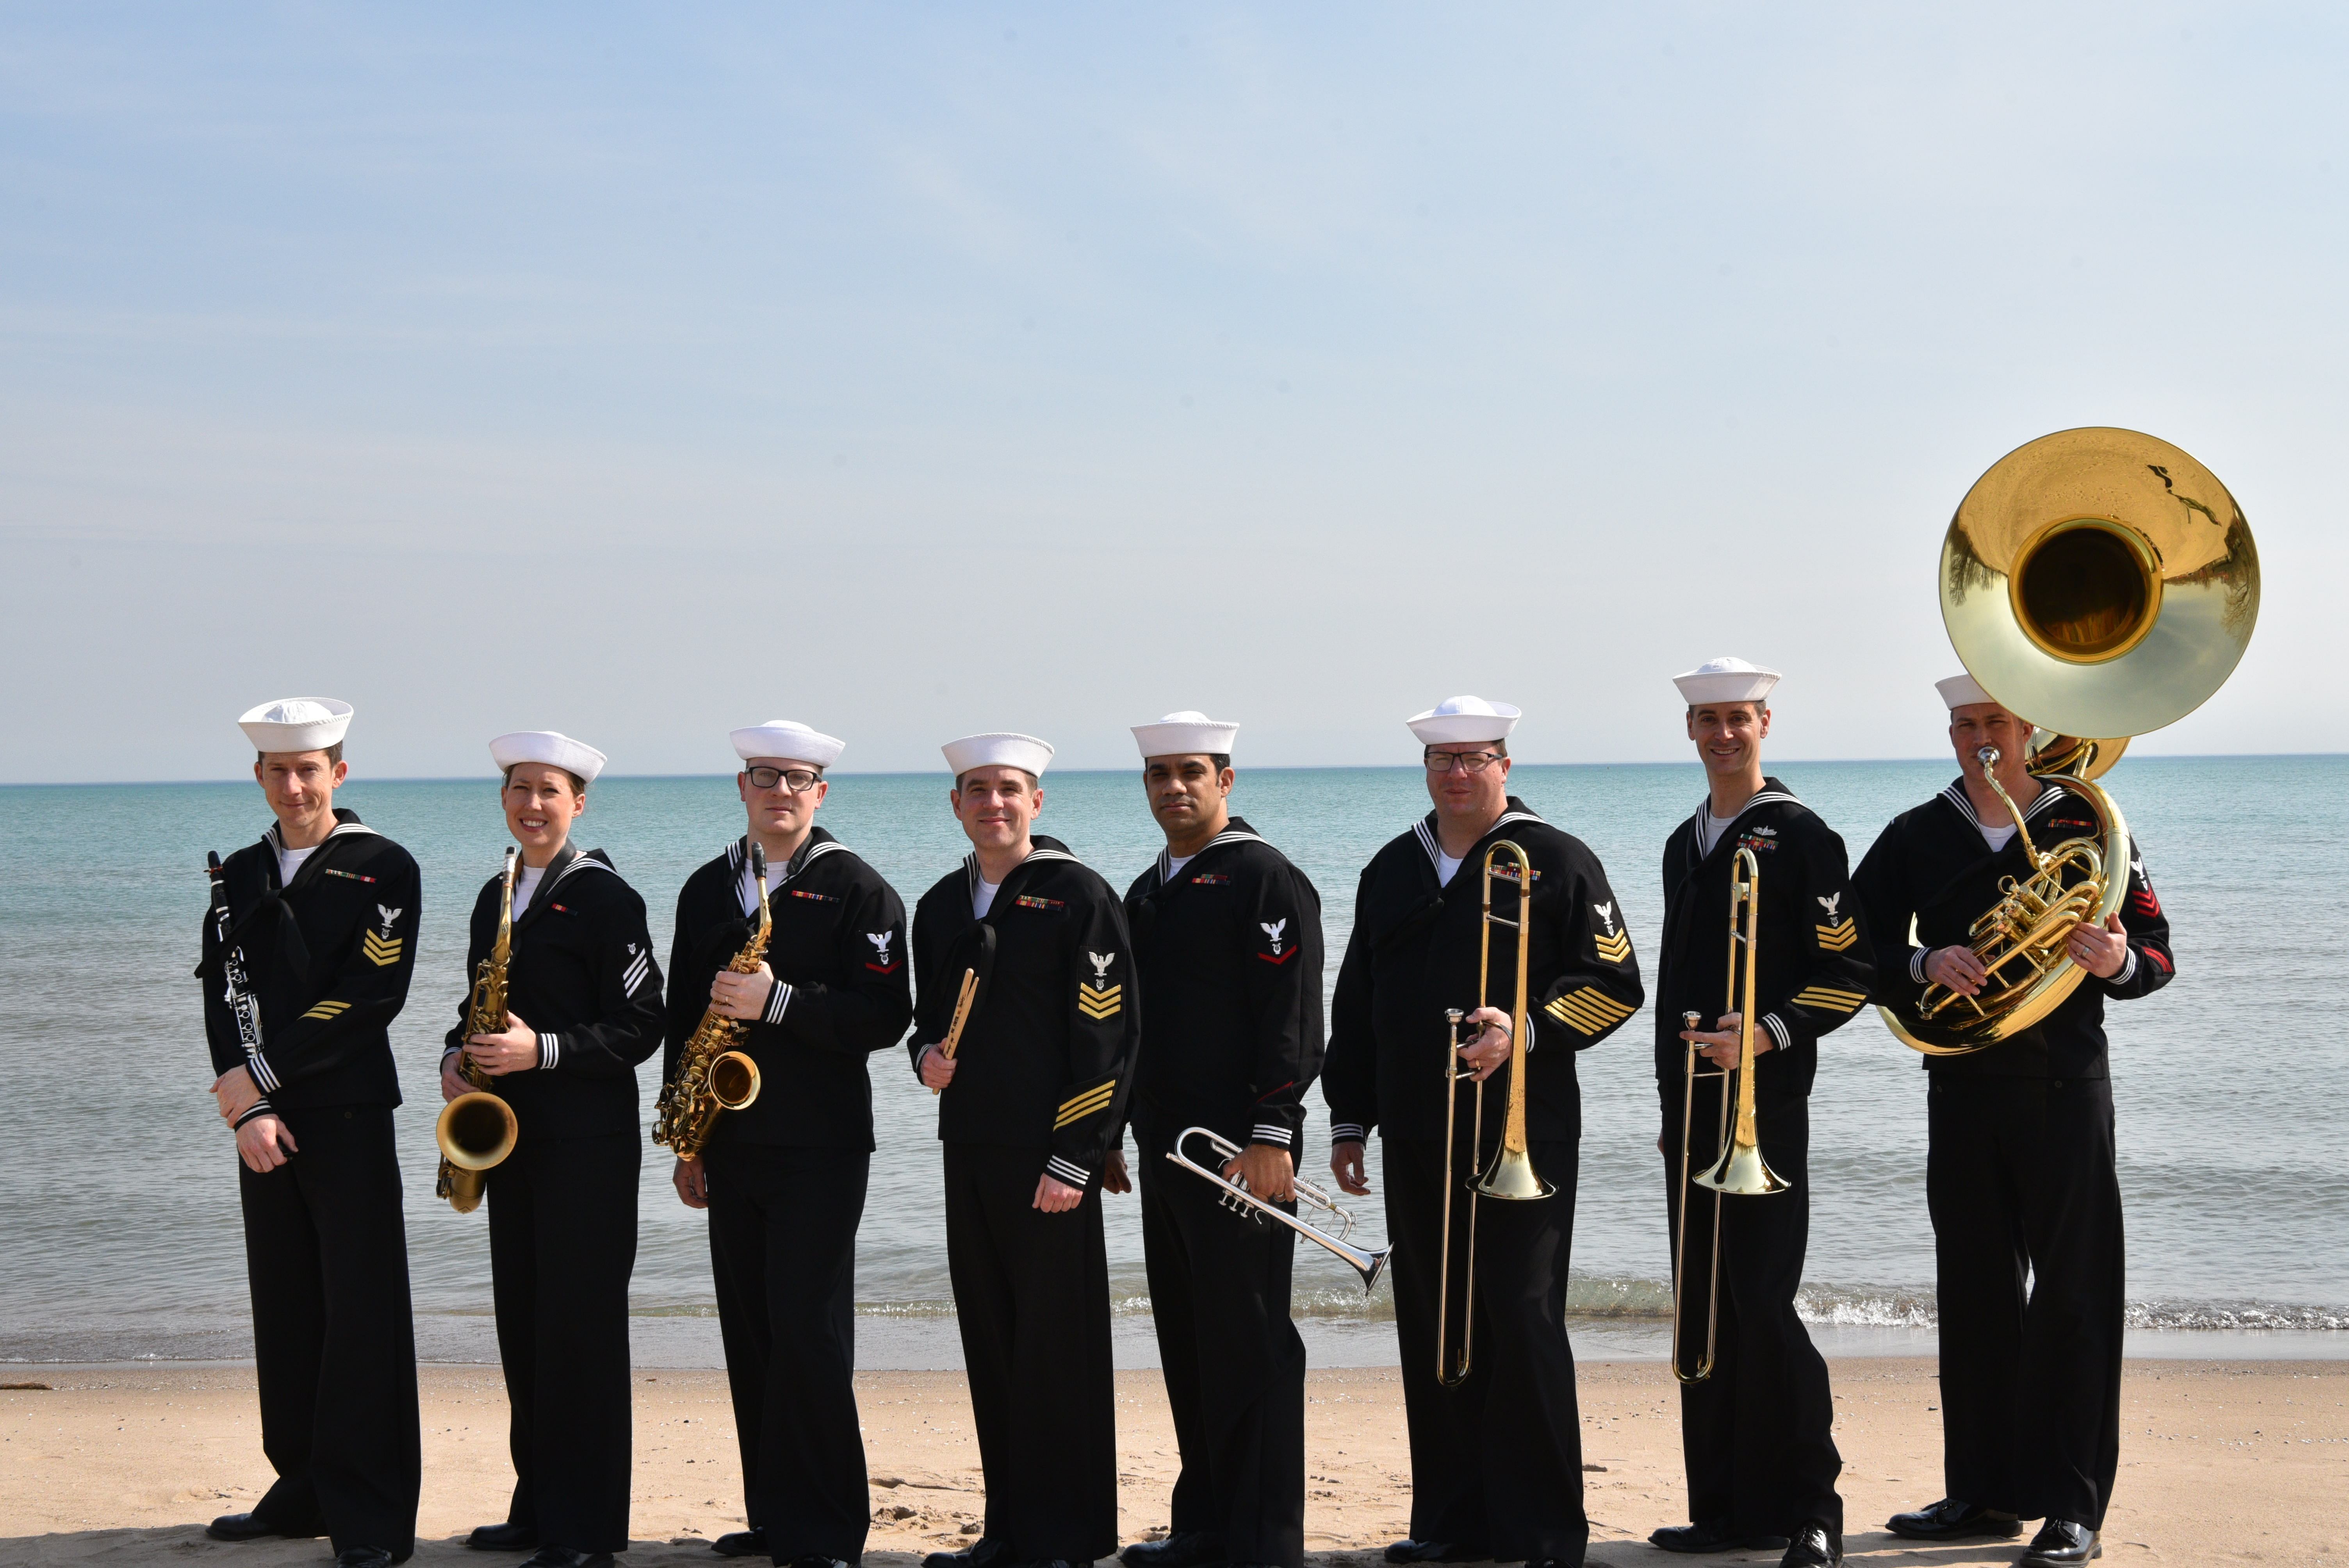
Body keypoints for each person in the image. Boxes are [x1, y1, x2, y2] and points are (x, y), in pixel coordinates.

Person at [1855, 676, 2174, 1568]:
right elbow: (1845, 945)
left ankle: (2072, 1507)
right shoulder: (1916, 831)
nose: (1979, 739)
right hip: (1960, 1084)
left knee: (2075, 1297)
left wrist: (2114, 959)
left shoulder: (2086, 825)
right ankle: (1985, 1492)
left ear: (2030, 729)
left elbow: (2156, 954)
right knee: (1974, 1294)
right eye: (1964, 725)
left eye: (1994, 721)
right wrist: (1921, 959)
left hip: (2065, 1087)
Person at [1322, 696, 1643, 1568]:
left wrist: (1525, 1031)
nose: (1458, 773)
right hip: (1416, 1130)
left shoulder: (1556, 857)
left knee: (1521, 1314)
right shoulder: (1392, 866)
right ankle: (1454, 1525)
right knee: (1434, 1319)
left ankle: (1542, 1534)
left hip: (1522, 1132)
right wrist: (1347, 1118)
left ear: (1506, 765)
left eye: (1475, 758)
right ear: (1426, 770)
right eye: (1443, 760)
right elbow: (1358, 1002)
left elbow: (1615, 984)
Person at [663, 720, 913, 1568]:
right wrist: (684, 1136)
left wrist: (780, 1004)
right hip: (728, 1144)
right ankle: (773, 1515)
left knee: (809, 1334)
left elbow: (884, 1017)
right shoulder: (705, 887)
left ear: (820, 792)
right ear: (742, 787)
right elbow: (677, 1021)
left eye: (796, 778)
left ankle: (830, 1528)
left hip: (821, 1147)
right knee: (753, 1333)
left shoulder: (858, 889)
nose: (780, 790)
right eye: (763, 775)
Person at [1643, 659, 1874, 1568]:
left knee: (1765, 1306)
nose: (1722, 734)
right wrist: (1668, 1101)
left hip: (1764, 1107)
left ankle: (1812, 1508)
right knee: (1703, 1307)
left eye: (1737, 717)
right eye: (1707, 719)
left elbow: (1849, 973)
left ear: (1765, 724)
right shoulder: (1681, 842)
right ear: (1690, 730)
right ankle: (1729, 1508)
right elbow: (1671, 992)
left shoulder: (1802, 834)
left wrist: (1770, 1032)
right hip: (1692, 1108)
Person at [200, 698, 423, 1568]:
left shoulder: (383, 867)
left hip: (350, 1114)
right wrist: (247, 1106)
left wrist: (262, 1074)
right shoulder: (241, 874)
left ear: (339, 771)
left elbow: (370, 997)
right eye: (278, 770)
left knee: (362, 1314)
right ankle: (301, 1488)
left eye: (310, 768)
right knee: (287, 1307)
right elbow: (222, 993)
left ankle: (370, 1516)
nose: (294, 784)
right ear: (259, 777)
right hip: (266, 1123)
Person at [909, 732, 1140, 1568]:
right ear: (957, 803)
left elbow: (1108, 1036)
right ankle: (1006, 1528)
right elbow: (924, 1021)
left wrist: (1076, 1155)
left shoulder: (1077, 894)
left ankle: (1067, 1537)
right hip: (966, 1148)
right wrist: (924, 1058)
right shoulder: (939, 904)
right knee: (993, 1343)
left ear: (1035, 802)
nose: (992, 802)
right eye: (976, 788)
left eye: (1009, 788)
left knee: (1056, 1351)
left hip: (1051, 1161)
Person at [445, 732, 666, 1568]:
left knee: (581, 1335)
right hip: (512, 1142)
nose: (532, 804)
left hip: (587, 1147)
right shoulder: (493, 894)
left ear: (579, 803)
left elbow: (644, 1024)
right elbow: (473, 1001)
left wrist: (544, 1051)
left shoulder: (610, 900)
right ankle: (537, 1504)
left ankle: (587, 1531)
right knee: (526, 1327)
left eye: (549, 791)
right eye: (518, 788)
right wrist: (451, 1055)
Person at [1115, 713, 1325, 1568]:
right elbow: (1124, 1029)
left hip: (1244, 1149)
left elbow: (1293, 1017)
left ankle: (1263, 1541)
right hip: (1166, 1151)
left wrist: (1274, 1131)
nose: (1175, 786)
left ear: (1225, 780)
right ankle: (1203, 1526)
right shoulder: (1143, 890)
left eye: (1191, 771)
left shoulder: (1263, 877)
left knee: (1252, 1343)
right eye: (1160, 773)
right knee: (1191, 1342)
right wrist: (1107, 1132)